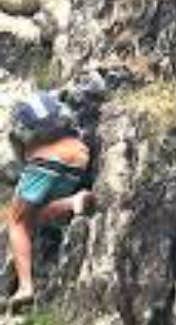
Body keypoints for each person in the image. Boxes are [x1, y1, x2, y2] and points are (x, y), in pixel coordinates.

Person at [3, 91, 94, 312]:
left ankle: (25, 287)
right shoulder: (53, 103)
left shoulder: (22, 117)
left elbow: (19, 151)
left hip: (44, 161)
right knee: (37, 215)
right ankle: (73, 202)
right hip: (79, 156)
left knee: (15, 221)